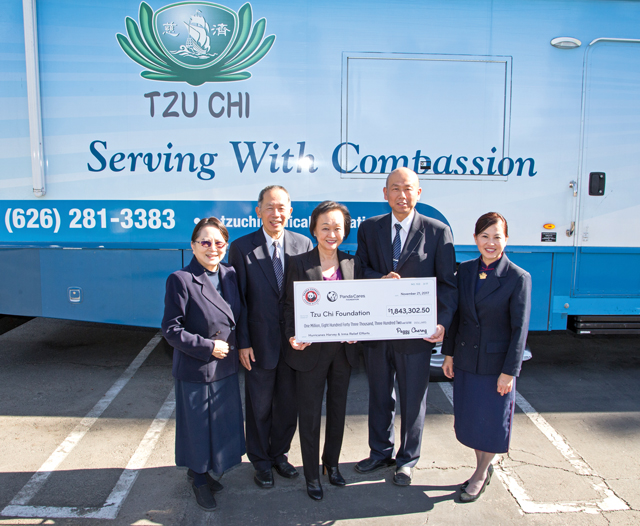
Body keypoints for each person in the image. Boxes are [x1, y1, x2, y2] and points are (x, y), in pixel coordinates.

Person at [354, 167, 457, 486]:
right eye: (395, 188)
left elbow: (448, 285)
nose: (402, 194)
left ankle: (407, 459)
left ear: (419, 193)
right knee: (379, 395)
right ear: (385, 193)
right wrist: (380, 279)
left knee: (413, 398)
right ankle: (379, 452)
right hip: (378, 330)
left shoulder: (438, 231)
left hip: (416, 333)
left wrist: (442, 323)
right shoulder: (369, 228)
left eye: (408, 188)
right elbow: (360, 270)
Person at [442, 212, 531, 502]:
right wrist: (448, 354)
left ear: (506, 240)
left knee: (491, 423)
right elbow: (456, 316)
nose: (490, 243)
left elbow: (519, 330)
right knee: (472, 420)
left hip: (496, 367)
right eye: (485, 236)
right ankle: (482, 467)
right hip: (467, 360)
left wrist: (510, 372)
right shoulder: (466, 270)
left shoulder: (518, 277)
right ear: (475, 239)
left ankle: (480, 473)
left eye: (497, 237)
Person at [228, 185, 313, 488]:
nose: (276, 214)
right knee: (259, 407)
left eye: (281, 208)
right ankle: (260, 461)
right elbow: (237, 300)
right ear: (258, 211)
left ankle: (279, 455)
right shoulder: (241, 248)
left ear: (290, 211)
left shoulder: (304, 244)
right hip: (258, 344)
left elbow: (309, 294)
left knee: (288, 406)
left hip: (294, 345)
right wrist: (243, 342)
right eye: (269, 207)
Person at [161, 217, 246, 512]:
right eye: (205, 242)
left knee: (219, 425)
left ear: (226, 246)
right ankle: (198, 479)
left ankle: (204, 471)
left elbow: (239, 316)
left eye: (219, 242)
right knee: (197, 428)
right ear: (193, 246)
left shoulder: (230, 274)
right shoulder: (181, 279)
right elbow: (171, 330)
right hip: (197, 368)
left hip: (225, 366)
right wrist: (209, 347)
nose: (213, 248)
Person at [284, 201, 362, 501]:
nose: (332, 234)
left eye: (337, 228)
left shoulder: (352, 264)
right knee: (310, 414)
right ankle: (312, 475)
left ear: (345, 232)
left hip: (343, 352)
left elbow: (362, 305)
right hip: (310, 352)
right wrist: (292, 336)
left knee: (338, 411)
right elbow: (288, 306)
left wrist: (359, 330)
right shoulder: (298, 263)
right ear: (314, 230)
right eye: (325, 227)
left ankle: (332, 464)